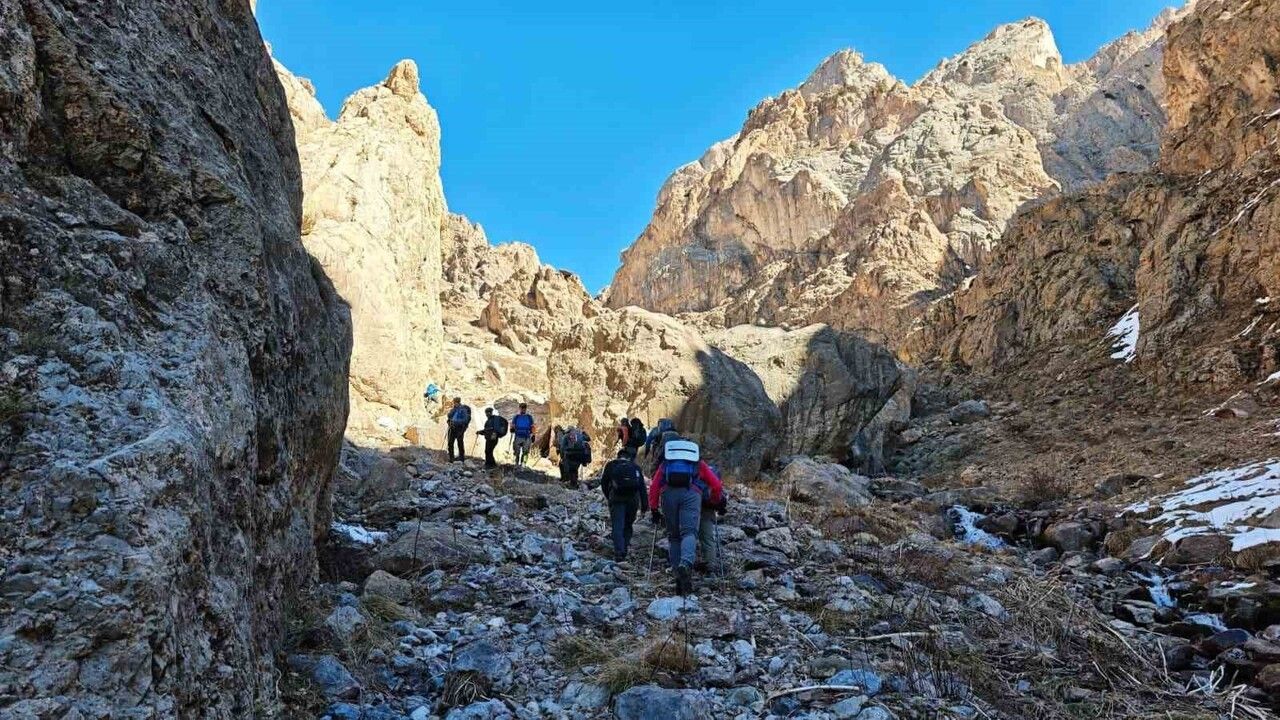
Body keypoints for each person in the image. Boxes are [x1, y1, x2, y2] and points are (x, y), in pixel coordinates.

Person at [649, 437, 723, 595]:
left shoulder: (666, 463)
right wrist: (716, 500)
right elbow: (716, 484)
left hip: (668, 494)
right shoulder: (697, 463)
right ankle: (686, 563)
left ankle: (679, 576)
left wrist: (654, 509)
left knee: (674, 537)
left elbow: (654, 486)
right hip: (692, 494)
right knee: (689, 532)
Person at [599, 447, 647, 561]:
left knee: (617, 525)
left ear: (619, 455)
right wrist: (645, 506)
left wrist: (609, 496)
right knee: (628, 525)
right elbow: (642, 488)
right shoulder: (635, 468)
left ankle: (619, 552)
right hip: (633, 500)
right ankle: (624, 548)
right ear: (630, 457)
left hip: (616, 498)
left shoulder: (611, 465)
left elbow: (604, 483)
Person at [510, 403, 536, 467]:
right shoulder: (516, 417)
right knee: (516, 452)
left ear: (526, 408)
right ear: (520, 408)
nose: (523, 409)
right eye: (522, 407)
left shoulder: (529, 417)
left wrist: (533, 435)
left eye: (524, 407)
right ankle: (516, 463)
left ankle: (523, 464)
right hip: (518, 436)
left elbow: (532, 426)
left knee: (525, 452)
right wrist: (512, 429)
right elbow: (512, 425)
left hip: (526, 437)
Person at [446, 397, 472, 462]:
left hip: (460, 428)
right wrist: (450, 421)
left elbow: (465, 420)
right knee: (450, 443)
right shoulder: (454, 409)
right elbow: (449, 416)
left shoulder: (463, 410)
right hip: (452, 427)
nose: (454, 403)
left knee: (459, 443)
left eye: (454, 402)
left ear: (457, 402)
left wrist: (455, 422)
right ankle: (451, 458)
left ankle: (461, 458)